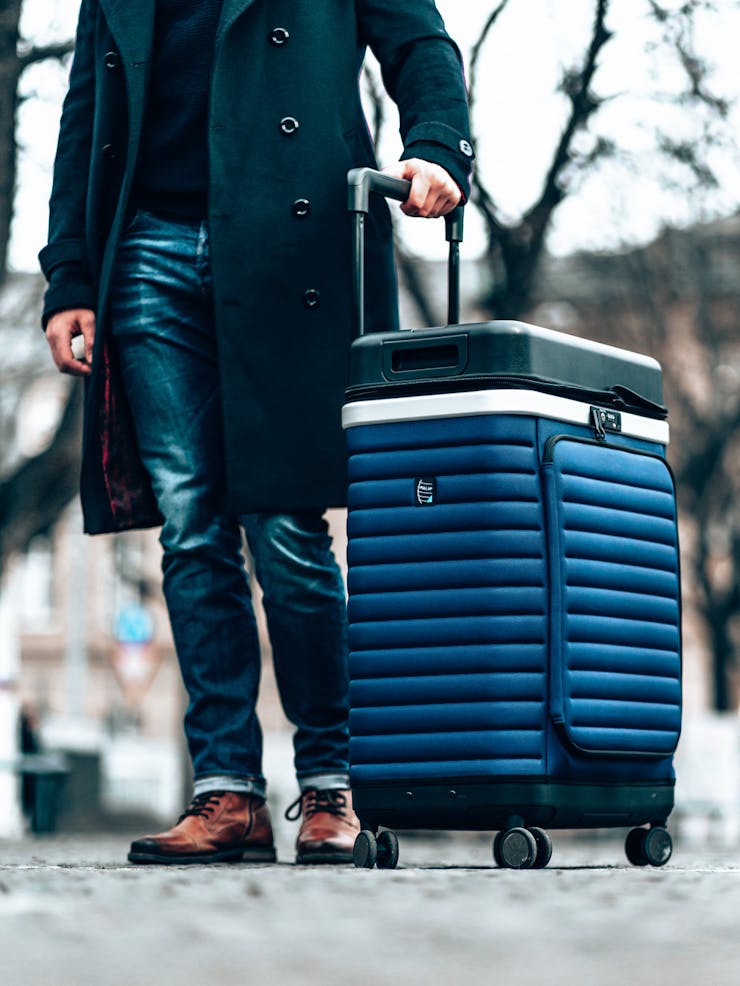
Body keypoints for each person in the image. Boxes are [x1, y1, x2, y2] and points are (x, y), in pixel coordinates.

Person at [41, 0, 474, 865]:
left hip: (291, 243)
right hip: (146, 252)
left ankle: (331, 784)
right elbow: (87, 104)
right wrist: (68, 275)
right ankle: (227, 792)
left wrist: (434, 143)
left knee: (285, 523)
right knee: (192, 527)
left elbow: (421, 42)